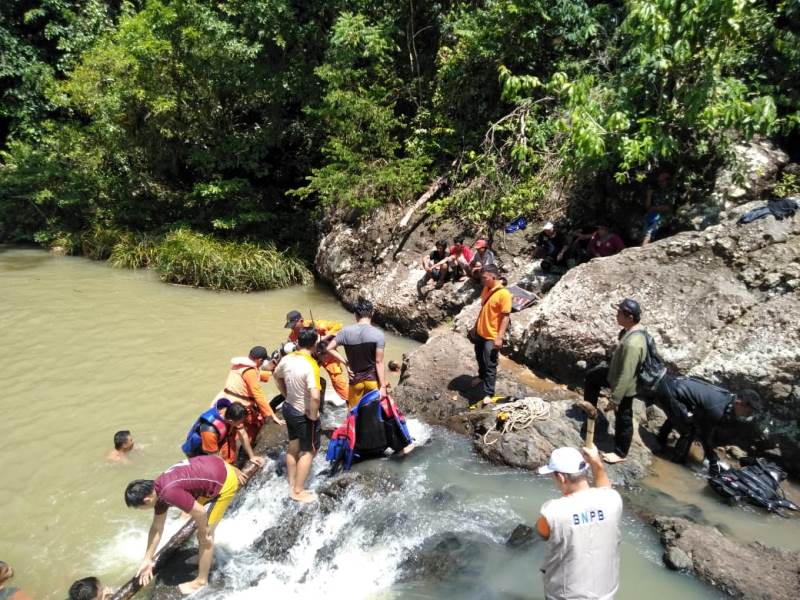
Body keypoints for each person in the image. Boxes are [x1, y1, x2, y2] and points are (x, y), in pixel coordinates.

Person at [125, 455, 247, 594]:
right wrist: (147, 559)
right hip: (217, 465)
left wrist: (203, 531)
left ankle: (201, 581)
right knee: (193, 518)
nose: (141, 510)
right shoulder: (158, 486)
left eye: (139, 508)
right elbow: (156, 527)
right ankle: (206, 559)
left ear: (147, 500)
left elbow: (201, 513)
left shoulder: (168, 493)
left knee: (205, 536)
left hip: (225, 483)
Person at [536, 445, 622, 600]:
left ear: (561, 477)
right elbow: (605, 487)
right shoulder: (612, 500)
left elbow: (542, 532)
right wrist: (596, 462)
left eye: (554, 477)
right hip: (606, 594)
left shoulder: (554, 511)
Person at [583, 298, 647, 464]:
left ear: (630, 317)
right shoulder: (629, 331)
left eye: (619, 313)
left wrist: (615, 399)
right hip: (614, 374)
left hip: (625, 384)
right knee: (592, 377)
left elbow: (627, 373)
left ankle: (620, 452)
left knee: (623, 416)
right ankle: (590, 411)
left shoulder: (634, 343)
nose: (616, 315)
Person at [655, 378, 762, 474]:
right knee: (689, 429)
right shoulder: (717, 409)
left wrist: (711, 457)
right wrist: (713, 461)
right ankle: (676, 461)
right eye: (748, 412)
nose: (748, 415)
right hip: (669, 391)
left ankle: (661, 441)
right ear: (739, 403)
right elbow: (704, 436)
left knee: (685, 419)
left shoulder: (729, 398)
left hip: (673, 387)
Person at [273, 327, 322, 503]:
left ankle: (291, 483)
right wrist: (313, 416)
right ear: (315, 344)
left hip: (288, 407)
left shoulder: (287, 358)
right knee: (309, 450)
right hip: (303, 413)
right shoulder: (311, 365)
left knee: (293, 447)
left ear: (297, 343)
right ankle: (298, 491)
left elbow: (275, 374)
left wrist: (286, 393)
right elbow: (315, 396)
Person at [326, 298, 389, 409]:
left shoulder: (345, 332)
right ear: (372, 313)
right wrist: (383, 386)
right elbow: (379, 362)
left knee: (354, 414)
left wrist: (345, 363)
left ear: (355, 314)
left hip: (355, 380)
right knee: (373, 414)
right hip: (372, 381)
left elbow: (329, 348)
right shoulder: (378, 334)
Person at [216, 346, 283, 444]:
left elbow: (256, 375)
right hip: (237, 407)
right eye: (263, 361)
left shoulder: (239, 365)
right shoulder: (250, 371)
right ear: (260, 360)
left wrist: (271, 373)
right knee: (255, 424)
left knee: (234, 431)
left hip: (226, 400)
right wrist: (272, 415)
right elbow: (258, 395)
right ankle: (245, 450)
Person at [469, 265, 512, 405]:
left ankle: (489, 392)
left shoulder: (504, 294)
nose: (482, 280)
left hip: (492, 336)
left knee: (490, 363)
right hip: (481, 332)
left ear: (493, 277)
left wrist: (499, 337)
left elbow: (505, 317)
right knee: (479, 357)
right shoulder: (486, 289)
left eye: (484, 278)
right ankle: (481, 377)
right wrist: (476, 327)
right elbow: (484, 308)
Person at [284, 310, 349, 403]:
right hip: (312, 359)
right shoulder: (292, 337)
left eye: (294, 325)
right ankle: (317, 404)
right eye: (291, 326)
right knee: (307, 380)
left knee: (337, 381)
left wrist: (323, 338)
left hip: (327, 355)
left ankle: (351, 405)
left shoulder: (317, 325)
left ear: (301, 321)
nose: (293, 329)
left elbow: (338, 326)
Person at [181, 399, 264, 466]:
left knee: (229, 459)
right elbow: (214, 458)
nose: (240, 424)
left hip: (219, 438)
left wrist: (252, 456)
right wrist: (233, 471)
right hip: (200, 450)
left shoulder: (232, 412)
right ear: (230, 421)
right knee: (212, 471)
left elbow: (242, 433)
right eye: (239, 423)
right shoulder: (209, 430)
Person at [642, 170, 676, 245]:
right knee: (645, 232)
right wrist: (649, 196)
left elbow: (668, 207)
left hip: (663, 217)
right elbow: (647, 207)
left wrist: (654, 208)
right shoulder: (657, 192)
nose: (660, 183)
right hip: (651, 216)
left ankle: (642, 249)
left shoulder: (671, 192)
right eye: (659, 181)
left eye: (662, 181)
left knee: (649, 232)